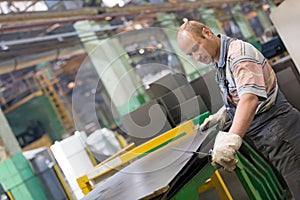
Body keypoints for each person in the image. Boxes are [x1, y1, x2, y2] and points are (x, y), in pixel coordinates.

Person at [177, 19, 300, 199]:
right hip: (268, 134)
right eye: (190, 55)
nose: (197, 57)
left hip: (280, 130)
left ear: (207, 32)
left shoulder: (238, 56)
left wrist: (231, 139)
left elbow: (249, 99)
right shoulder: (219, 59)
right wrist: (225, 112)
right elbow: (240, 92)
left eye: (196, 48)